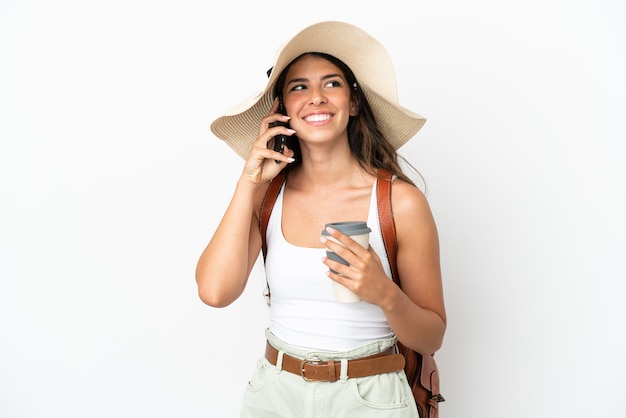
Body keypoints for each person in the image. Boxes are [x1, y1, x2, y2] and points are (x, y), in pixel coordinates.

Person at [196, 21, 446, 417]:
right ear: (281, 110)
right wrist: (248, 182)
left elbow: (432, 335)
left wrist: (384, 292)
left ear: (354, 102)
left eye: (331, 84)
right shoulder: (267, 196)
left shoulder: (400, 202)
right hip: (275, 395)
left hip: (371, 398)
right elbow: (214, 292)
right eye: (299, 87)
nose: (316, 97)